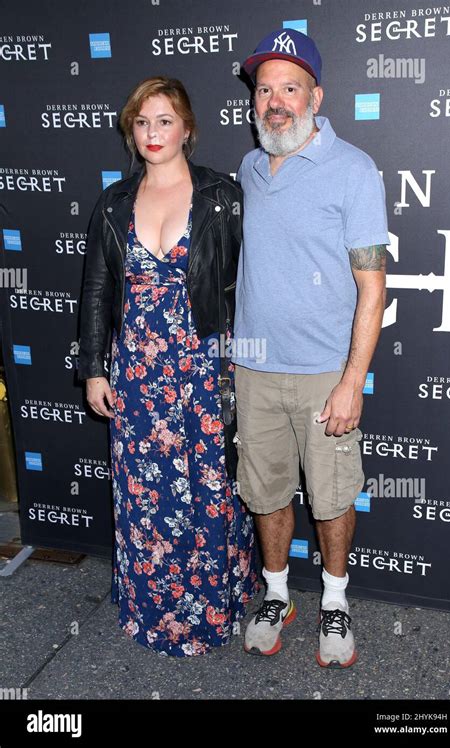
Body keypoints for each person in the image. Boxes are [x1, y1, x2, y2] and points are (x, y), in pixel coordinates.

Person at [77, 76, 258, 657]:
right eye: (142, 122)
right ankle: (152, 607)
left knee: (209, 486)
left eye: (164, 121)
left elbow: (250, 285)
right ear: (131, 131)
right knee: (145, 492)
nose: (153, 133)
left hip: (204, 363)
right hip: (136, 370)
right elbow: (97, 292)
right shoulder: (112, 204)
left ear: (188, 129)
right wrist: (95, 368)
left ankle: (213, 605)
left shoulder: (222, 196)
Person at [233, 29, 390, 667]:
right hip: (254, 368)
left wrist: (352, 381)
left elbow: (372, 286)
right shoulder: (248, 168)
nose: (275, 101)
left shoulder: (353, 169)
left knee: (329, 497)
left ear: (315, 97)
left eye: (289, 88)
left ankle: (333, 598)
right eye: (264, 89)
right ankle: (276, 594)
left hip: (326, 372)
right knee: (266, 491)